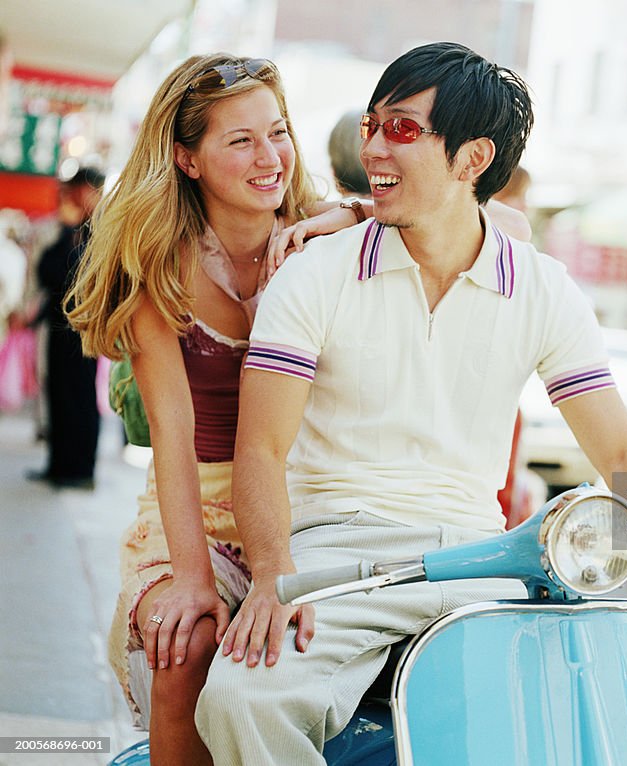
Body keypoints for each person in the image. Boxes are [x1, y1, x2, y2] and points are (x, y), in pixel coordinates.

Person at [194, 42, 627, 764]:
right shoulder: (315, 272)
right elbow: (262, 450)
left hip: (488, 557)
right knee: (243, 700)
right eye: (372, 125)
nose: (373, 146)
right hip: (342, 557)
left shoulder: (543, 286)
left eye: (402, 130)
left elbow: (620, 452)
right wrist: (274, 580)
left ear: (472, 159)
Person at [64, 54, 370, 766]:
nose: (271, 158)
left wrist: (354, 213)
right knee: (187, 644)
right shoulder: (159, 268)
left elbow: (492, 221)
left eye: (279, 132)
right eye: (240, 141)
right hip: (194, 504)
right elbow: (170, 433)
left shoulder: (323, 240)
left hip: (304, 504)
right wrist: (195, 579)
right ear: (187, 158)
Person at [26, 168, 105, 490]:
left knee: (79, 396)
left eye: (72, 191)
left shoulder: (101, 226)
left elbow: (68, 271)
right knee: (59, 393)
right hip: (60, 324)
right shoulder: (72, 227)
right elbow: (48, 272)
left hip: (84, 326)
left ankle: (79, 469)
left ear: (86, 190)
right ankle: (59, 464)